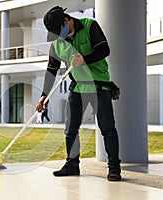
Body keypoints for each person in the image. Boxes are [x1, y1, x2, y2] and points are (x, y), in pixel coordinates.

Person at [36, 6, 121, 181]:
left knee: (107, 129)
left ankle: (114, 168)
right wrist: (44, 95)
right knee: (70, 130)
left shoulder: (90, 26)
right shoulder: (57, 44)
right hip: (77, 88)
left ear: (66, 21)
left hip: (99, 85)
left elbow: (105, 50)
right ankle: (72, 164)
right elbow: (51, 70)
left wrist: (85, 59)